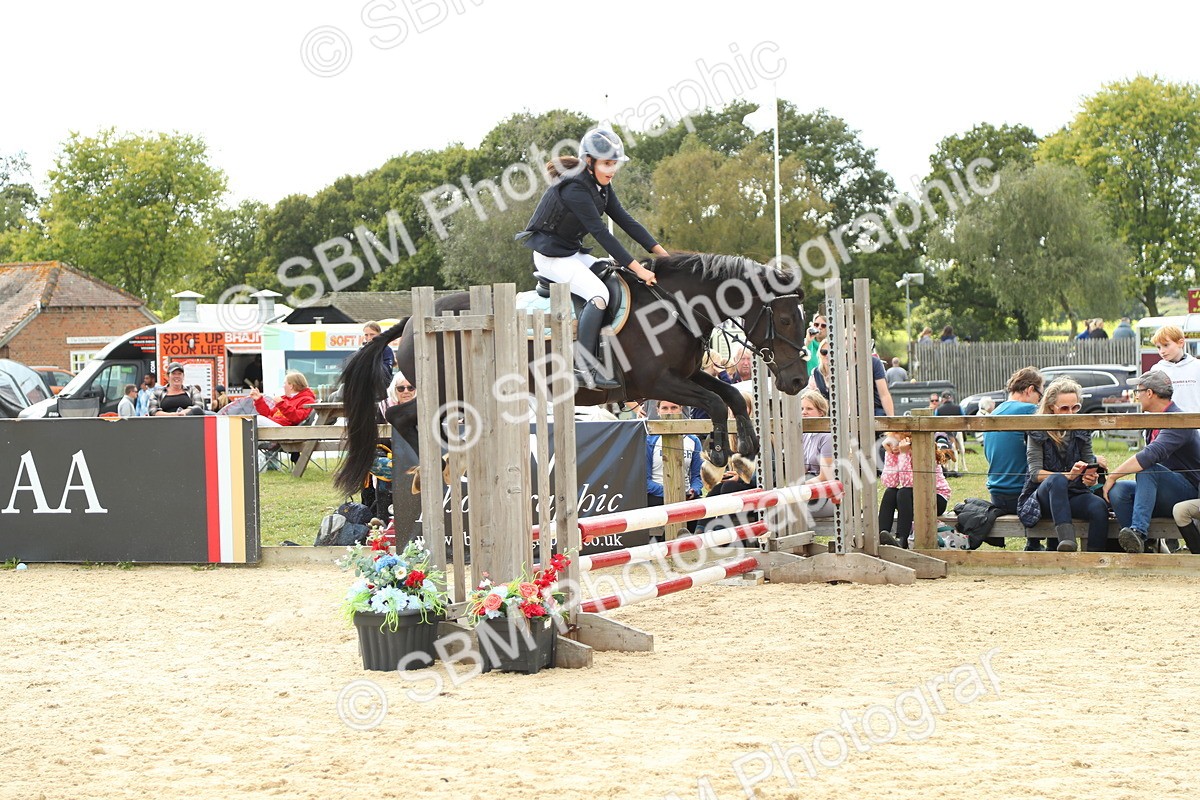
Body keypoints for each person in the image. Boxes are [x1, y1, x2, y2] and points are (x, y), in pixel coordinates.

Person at [516, 127, 669, 389]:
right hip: (550, 257)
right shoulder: (575, 188)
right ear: (589, 161)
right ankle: (584, 366)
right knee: (599, 295)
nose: (612, 170)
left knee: (615, 277)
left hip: (571, 253)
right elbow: (601, 233)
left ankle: (607, 351)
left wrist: (665, 257)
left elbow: (627, 222)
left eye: (614, 164)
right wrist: (639, 268)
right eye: (607, 163)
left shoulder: (601, 187)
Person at [1105, 370, 1200, 554]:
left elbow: (1149, 456)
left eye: (1137, 391)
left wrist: (1111, 476)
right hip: (1167, 491)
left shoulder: (1177, 420)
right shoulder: (1154, 419)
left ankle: (1139, 532)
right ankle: (1140, 546)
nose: (1136, 396)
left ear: (1149, 393)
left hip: (1190, 492)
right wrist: (1113, 481)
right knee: (1119, 491)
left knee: (1148, 469)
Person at [1015, 378, 1110, 552]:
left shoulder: (1082, 428)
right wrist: (1069, 476)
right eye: (1065, 408)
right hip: (1041, 497)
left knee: (1098, 506)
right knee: (1057, 480)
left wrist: (1090, 477)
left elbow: (1089, 462)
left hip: (1073, 493)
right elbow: (1035, 473)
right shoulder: (1037, 429)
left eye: (1075, 407)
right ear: (1052, 407)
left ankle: (1095, 557)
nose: (1071, 413)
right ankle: (1067, 541)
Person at [983, 367, 1045, 549]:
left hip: (997, 494)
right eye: (1040, 395)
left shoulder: (994, 413)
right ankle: (1045, 543)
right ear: (1030, 390)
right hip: (1022, 496)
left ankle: (1036, 543)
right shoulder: (1031, 411)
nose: (1040, 401)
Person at [646, 400, 703, 537]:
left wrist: (694, 490)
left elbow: (697, 476)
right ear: (658, 411)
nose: (669, 412)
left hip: (686, 495)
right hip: (657, 495)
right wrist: (670, 492)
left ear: (681, 409)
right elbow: (644, 480)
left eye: (674, 408)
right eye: (665, 408)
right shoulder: (649, 440)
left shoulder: (693, 440)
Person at [798, 390, 836, 521]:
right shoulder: (805, 434)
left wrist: (800, 486)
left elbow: (826, 476)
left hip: (827, 492)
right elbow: (802, 470)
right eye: (802, 408)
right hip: (810, 485)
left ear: (821, 412)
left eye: (809, 408)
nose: (804, 412)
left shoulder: (827, 436)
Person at [1149, 324, 1200, 412]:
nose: (1162, 351)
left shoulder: (1197, 366)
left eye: (1166, 345)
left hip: (1196, 422)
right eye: (1158, 347)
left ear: (1181, 343)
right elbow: (1151, 400)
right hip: (1167, 423)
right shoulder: (1156, 370)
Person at [249, 370, 318, 427]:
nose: (283, 386)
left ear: (291, 386)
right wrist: (259, 400)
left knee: (257, 420)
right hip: (278, 424)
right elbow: (268, 414)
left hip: (287, 429)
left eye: (285, 383)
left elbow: (298, 417)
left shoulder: (307, 400)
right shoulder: (286, 399)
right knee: (250, 420)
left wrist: (282, 404)